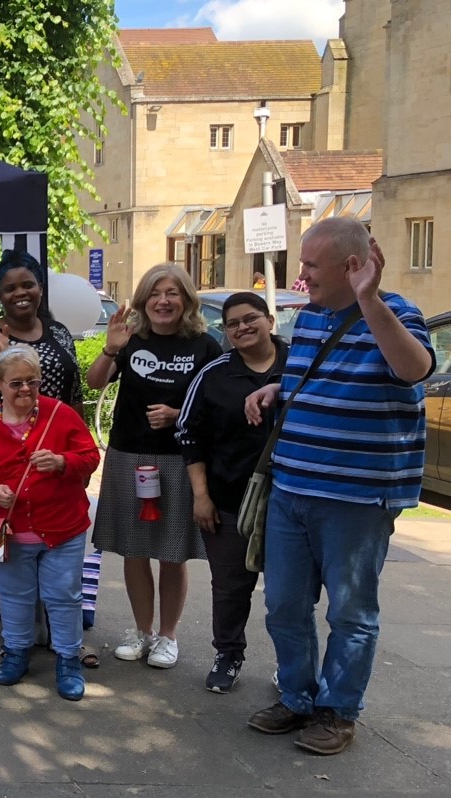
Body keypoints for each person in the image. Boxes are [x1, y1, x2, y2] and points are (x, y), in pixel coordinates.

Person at [243, 219, 432, 755]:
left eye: (309, 265)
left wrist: (370, 301)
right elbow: (319, 377)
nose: (300, 276)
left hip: (356, 499)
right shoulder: (308, 320)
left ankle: (338, 710)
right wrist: (277, 389)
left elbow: (414, 368)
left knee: (349, 612)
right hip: (291, 488)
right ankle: (297, 697)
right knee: (283, 606)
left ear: (352, 266)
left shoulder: (399, 313)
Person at [87, 262, 221, 670]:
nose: (164, 301)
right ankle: (141, 631)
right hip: (129, 455)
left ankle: (168, 636)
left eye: (172, 293)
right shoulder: (131, 339)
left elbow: (218, 408)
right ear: (145, 300)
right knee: (133, 548)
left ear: (186, 299)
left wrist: (179, 414)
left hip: (182, 460)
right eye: (155, 294)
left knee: (172, 551)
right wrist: (111, 346)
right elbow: (94, 383)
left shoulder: (205, 346)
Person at [0, 345, 100, 698]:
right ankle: (16, 653)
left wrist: (62, 463)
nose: (25, 389)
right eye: (16, 383)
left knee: (64, 596)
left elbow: (88, 456)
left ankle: (68, 659)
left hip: (62, 526)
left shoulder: (61, 414)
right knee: (14, 596)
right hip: (9, 530)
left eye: (33, 382)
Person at [176, 292, 288, 694]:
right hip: (226, 499)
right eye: (232, 323)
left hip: (290, 501)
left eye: (250, 319)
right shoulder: (214, 374)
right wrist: (200, 496)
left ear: (270, 321)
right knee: (229, 586)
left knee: (288, 591)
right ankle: (228, 654)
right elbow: (189, 435)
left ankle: (291, 664)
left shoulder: (299, 366)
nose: (242, 328)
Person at [0, 249, 82, 419]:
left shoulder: (59, 332)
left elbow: (75, 396)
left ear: (39, 288)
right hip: (4, 440)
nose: (20, 293)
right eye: (10, 289)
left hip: (56, 439)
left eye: (27, 285)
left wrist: (80, 439)